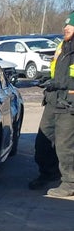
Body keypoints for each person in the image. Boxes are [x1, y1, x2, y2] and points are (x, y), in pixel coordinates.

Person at [32, 12, 74, 197]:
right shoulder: (62, 46)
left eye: (70, 25)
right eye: (66, 25)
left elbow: (67, 79)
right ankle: (48, 174)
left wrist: (62, 84)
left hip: (69, 104)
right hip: (53, 101)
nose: (66, 28)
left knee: (65, 147)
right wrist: (48, 78)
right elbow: (58, 72)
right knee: (43, 142)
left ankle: (69, 183)